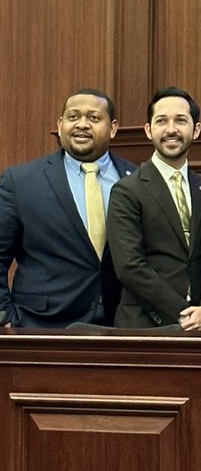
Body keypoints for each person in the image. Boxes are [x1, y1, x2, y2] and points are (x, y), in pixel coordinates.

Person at [0, 89, 136, 329]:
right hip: (40, 326)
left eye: (94, 118)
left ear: (113, 128)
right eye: (73, 117)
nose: (82, 125)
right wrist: (5, 316)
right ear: (61, 124)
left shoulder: (136, 179)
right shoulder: (20, 181)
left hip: (120, 327)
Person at [107, 88, 201, 330]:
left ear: (196, 130)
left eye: (181, 120)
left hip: (199, 331)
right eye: (161, 121)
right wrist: (183, 314)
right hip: (143, 328)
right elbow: (129, 266)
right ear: (148, 130)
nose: (171, 129)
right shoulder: (126, 191)